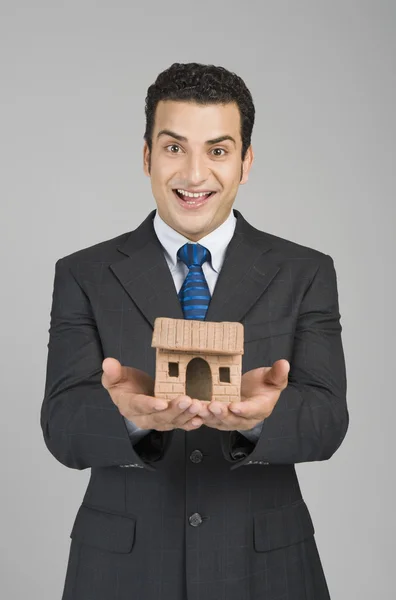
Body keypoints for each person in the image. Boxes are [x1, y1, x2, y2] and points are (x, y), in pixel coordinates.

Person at [41, 62, 348, 600]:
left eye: (219, 150)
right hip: (122, 574)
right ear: (147, 156)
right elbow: (62, 425)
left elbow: (327, 421)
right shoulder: (82, 273)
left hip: (266, 570)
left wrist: (259, 420)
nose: (195, 174)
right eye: (175, 147)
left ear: (246, 162)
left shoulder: (306, 271)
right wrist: (133, 420)